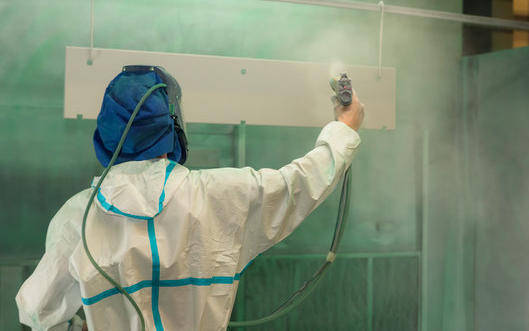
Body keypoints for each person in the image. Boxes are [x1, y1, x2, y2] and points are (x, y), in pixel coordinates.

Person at [16, 66, 365, 331]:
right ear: (173, 124)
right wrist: (345, 128)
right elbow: (297, 184)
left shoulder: (78, 215)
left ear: (106, 134)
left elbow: (35, 307)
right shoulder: (220, 195)